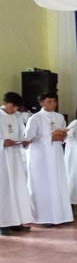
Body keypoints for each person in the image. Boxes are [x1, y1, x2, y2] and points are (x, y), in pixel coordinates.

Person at [25, 92, 73, 226]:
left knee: (58, 182)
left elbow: (64, 135)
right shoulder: (35, 118)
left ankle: (61, 216)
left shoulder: (59, 117)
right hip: (40, 157)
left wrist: (63, 136)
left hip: (56, 154)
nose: (53, 104)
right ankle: (44, 218)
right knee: (42, 185)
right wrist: (49, 137)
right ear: (42, 103)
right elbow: (28, 138)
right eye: (49, 101)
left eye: (54, 101)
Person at [0, 93, 33, 235]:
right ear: (4, 103)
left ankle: (16, 222)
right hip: (2, 158)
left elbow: (21, 133)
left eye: (17, 107)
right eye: (12, 106)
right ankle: (3, 224)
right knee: (4, 190)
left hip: (15, 157)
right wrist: (2, 142)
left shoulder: (17, 116)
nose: (14, 110)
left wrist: (24, 141)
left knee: (18, 188)